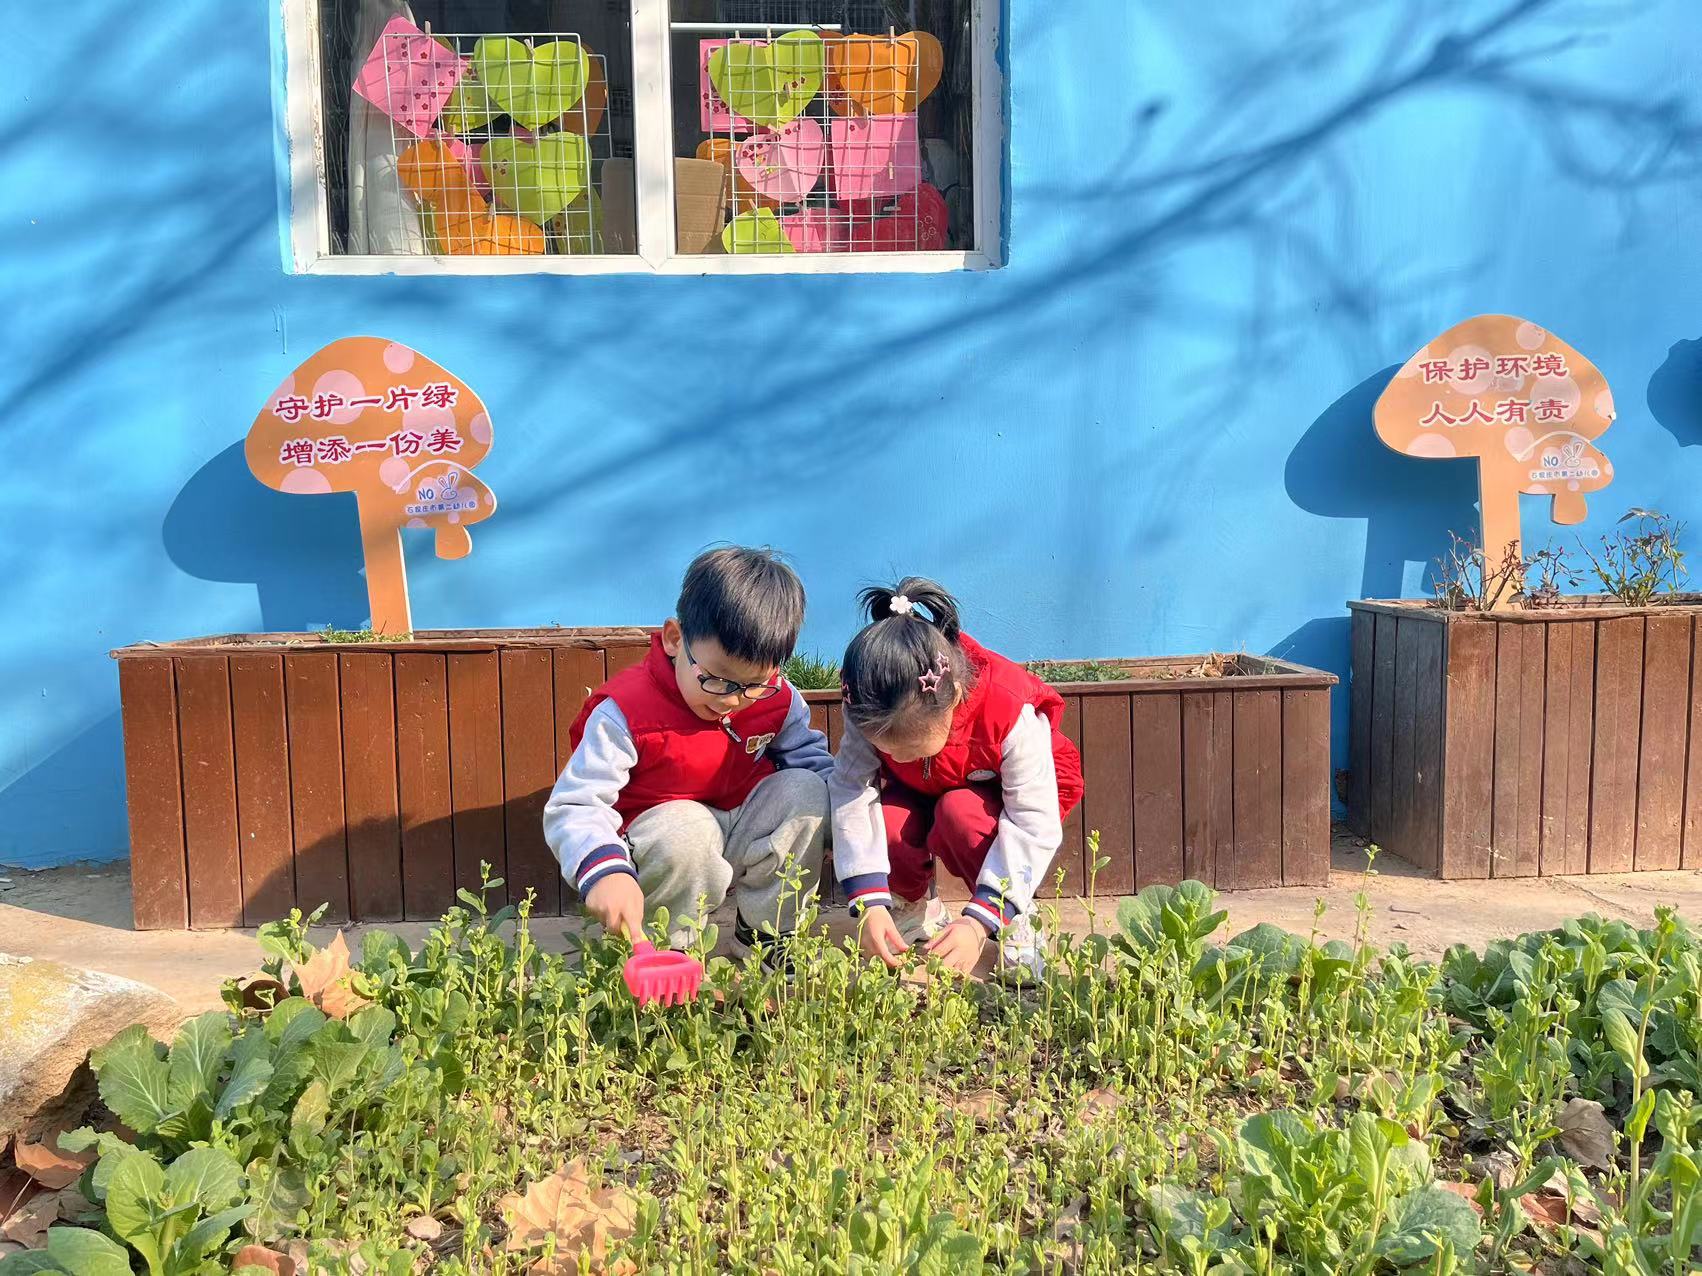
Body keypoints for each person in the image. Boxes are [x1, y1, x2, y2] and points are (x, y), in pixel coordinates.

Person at [544, 547, 833, 962]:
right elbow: (576, 805)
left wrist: (848, 829)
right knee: (688, 828)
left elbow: (814, 765)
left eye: (754, 684)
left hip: (738, 827)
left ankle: (767, 938)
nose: (732, 700)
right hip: (664, 846)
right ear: (675, 639)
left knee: (808, 791)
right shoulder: (626, 712)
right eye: (717, 680)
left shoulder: (776, 699)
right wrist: (605, 871)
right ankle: (667, 949)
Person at [829, 578, 1084, 977]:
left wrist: (980, 920)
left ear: (956, 696)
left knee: (960, 813)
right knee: (889, 823)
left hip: (994, 801)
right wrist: (869, 901)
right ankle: (913, 908)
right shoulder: (869, 700)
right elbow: (851, 788)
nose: (896, 758)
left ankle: (1012, 917)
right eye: (886, 749)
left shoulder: (1008, 708)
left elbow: (1032, 820)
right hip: (918, 788)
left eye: (910, 748)